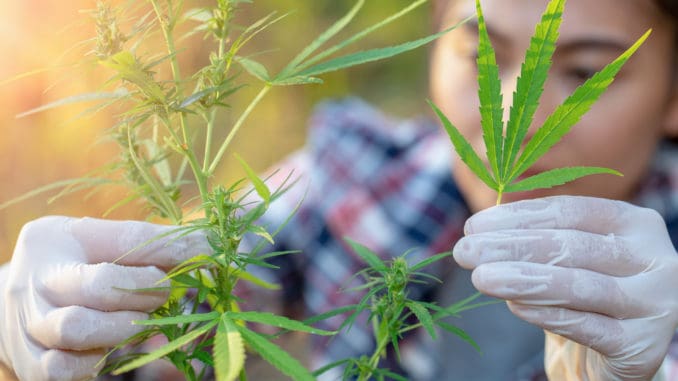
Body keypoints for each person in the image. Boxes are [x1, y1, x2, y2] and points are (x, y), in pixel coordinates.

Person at [1, 0, 678, 380]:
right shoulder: (361, 179)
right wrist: (45, 313)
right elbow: (171, 315)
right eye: (478, 56)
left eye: (590, 70)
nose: (516, 114)